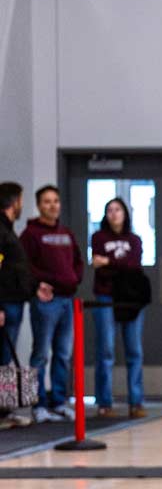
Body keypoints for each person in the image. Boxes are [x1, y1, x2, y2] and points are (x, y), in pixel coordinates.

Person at [21, 185, 82, 423]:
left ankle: (59, 401)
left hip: (67, 300)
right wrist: (42, 282)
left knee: (63, 353)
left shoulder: (67, 233)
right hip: (45, 301)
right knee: (40, 354)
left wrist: (75, 279)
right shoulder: (30, 234)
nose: (52, 205)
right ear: (38, 205)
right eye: (47, 201)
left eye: (56, 201)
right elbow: (24, 265)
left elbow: (77, 261)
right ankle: (36, 405)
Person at [90, 198, 147, 418]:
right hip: (105, 297)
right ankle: (104, 403)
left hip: (131, 298)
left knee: (134, 351)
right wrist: (110, 265)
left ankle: (136, 401)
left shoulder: (135, 239)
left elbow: (134, 265)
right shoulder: (98, 237)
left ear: (125, 213)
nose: (114, 214)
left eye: (118, 210)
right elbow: (98, 266)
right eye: (109, 210)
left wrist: (109, 262)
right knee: (106, 350)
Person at [0, 183, 35, 429]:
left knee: (4, 358)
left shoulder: (8, 230)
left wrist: (34, 287)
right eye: (21, 200)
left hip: (14, 301)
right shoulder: (1, 231)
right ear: (14, 202)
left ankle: (5, 409)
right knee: (2, 358)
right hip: (5, 304)